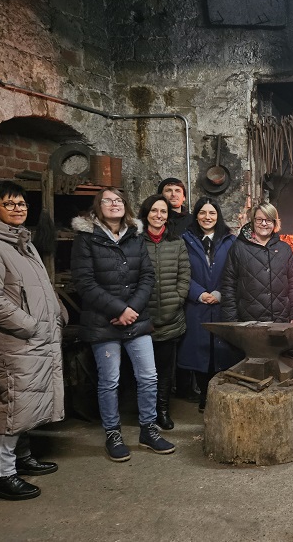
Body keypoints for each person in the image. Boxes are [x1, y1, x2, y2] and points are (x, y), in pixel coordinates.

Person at [71, 187, 175, 462]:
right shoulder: (86, 238)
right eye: (108, 200)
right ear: (98, 206)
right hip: (102, 322)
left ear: (125, 206)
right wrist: (118, 309)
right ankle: (113, 433)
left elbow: (147, 277)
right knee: (110, 380)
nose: (114, 204)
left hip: (136, 319)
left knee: (148, 376)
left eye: (119, 200)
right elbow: (84, 282)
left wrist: (132, 309)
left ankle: (148, 429)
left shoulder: (134, 236)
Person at [0, 181, 65, 500]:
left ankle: (21, 457)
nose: (18, 209)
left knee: (24, 401)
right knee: (13, 403)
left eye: (22, 204)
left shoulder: (20, 240)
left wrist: (58, 311)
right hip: (16, 340)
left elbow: (38, 286)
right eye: (9, 204)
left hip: (35, 337)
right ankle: (0, 475)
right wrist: (31, 325)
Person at [177, 197, 238, 412]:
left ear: (218, 216)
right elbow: (180, 271)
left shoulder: (230, 241)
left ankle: (223, 394)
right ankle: (204, 394)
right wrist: (199, 293)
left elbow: (234, 270)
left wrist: (220, 293)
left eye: (212, 213)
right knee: (200, 351)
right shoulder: (185, 240)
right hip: (196, 305)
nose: (207, 217)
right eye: (202, 213)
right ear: (196, 215)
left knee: (223, 350)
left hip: (223, 304)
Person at [138, 195, 191, 430]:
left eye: (163, 212)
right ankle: (145, 413)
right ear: (146, 213)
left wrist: (178, 300)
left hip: (171, 316)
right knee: (143, 372)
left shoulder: (176, 242)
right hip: (142, 317)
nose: (159, 215)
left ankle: (162, 410)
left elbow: (184, 275)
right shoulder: (136, 242)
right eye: (154, 211)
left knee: (165, 370)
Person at [221, 202, 293, 324]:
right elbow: (228, 286)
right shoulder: (238, 248)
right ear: (253, 221)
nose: (264, 224)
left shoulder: (284, 249)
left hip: (280, 321)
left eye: (268, 220)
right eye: (259, 220)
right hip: (248, 323)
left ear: (275, 223)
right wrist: (231, 320)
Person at [157, 177, 196, 399]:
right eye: (168, 190)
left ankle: (184, 386)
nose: (173, 194)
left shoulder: (191, 220)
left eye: (177, 191)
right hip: (164, 287)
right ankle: (164, 391)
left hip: (187, 282)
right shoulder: (156, 218)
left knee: (186, 338)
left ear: (183, 196)